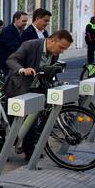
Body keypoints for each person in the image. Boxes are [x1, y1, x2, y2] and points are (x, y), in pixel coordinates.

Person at [5, 30, 73, 160]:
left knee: (32, 122)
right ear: (52, 40)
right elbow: (12, 59)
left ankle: (29, 152)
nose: (62, 51)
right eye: (61, 47)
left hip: (37, 89)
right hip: (18, 88)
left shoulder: (54, 53)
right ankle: (0, 151)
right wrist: (22, 69)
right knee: (12, 122)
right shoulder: (30, 45)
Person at [0, 11, 29, 75]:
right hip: (4, 65)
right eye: (23, 21)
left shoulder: (19, 31)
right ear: (16, 19)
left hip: (10, 64)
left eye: (26, 21)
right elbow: (17, 48)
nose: (25, 23)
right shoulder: (8, 31)